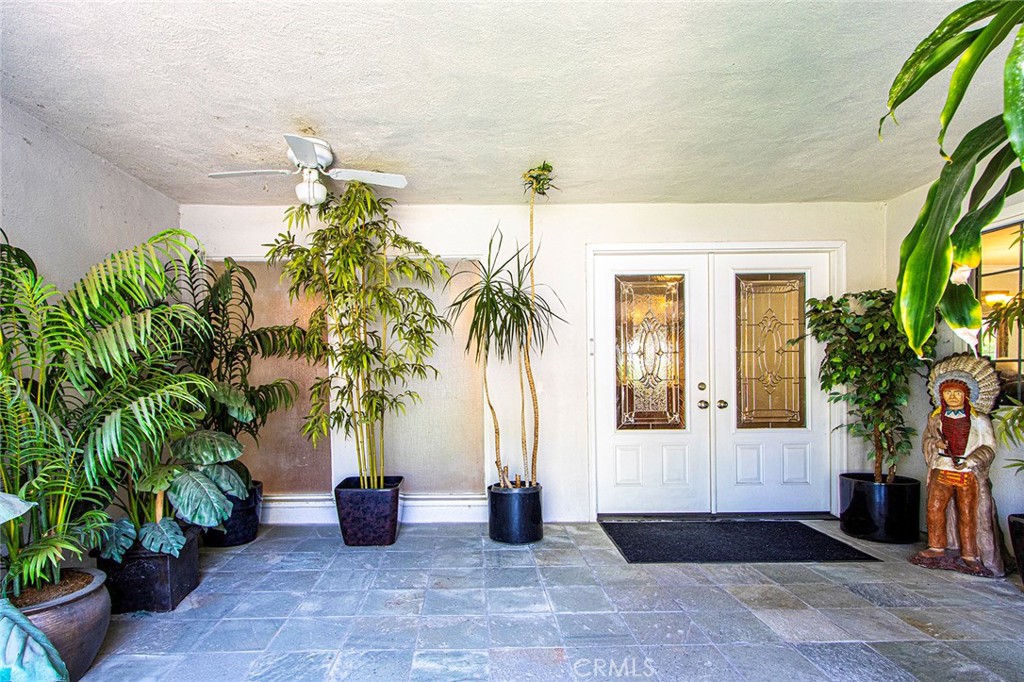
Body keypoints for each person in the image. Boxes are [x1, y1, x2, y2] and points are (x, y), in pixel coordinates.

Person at [911, 354, 1004, 577]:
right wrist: (936, 443)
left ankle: (970, 554)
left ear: (967, 395)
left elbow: (988, 446)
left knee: (968, 512)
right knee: (935, 508)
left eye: (957, 393)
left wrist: (971, 461)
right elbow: (927, 440)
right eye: (948, 393)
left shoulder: (979, 420)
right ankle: (937, 546)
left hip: (966, 471)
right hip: (942, 467)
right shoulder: (936, 418)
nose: (952, 397)